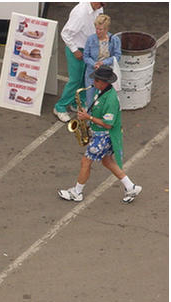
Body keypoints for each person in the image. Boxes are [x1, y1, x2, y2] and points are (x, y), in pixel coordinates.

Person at [58, 66, 142, 204]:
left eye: (96, 80)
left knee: (86, 161)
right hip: (104, 135)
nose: (93, 82)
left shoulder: (111, 100)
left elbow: (108, 124)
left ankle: (77, 192)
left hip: (103, 136)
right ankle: (130, 186)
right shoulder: (103, 91)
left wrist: (88, 118)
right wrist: (87, 112)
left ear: (103, 82)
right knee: (107, 161)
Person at [53, 2, 104, 123]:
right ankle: (59, 107)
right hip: (77, 49)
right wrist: (75, 50)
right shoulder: (80, 13)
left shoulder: (98, 9)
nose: (102, 6)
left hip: (88, 48)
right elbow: (65, 33)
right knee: (75, 79)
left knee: (84, 79)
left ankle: (77, 103)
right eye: (101, 3)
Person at [83, 14, 121, 106]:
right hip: (92, 73)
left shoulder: (114, 40)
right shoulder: (90, 39)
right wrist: (94, 64)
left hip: (106, 74)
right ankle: (89, 118)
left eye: (101, 29)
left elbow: (117, 56)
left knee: (104, 99)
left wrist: (103, 63)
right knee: (90, 99)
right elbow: (85, 56)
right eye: (96, 29)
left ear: (107, 29)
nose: (98, 31)